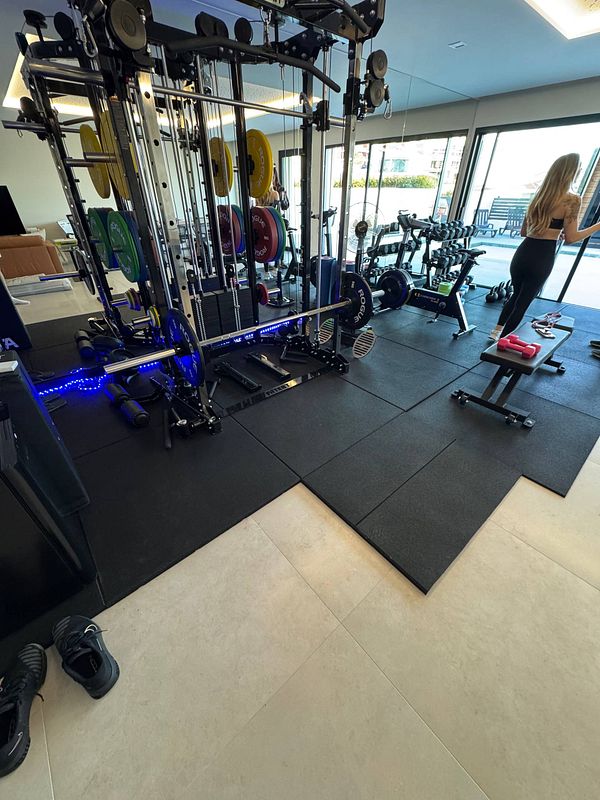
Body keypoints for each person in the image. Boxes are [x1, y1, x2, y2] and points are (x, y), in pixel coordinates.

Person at [489, 153, 600, 340]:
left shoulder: (538, 196)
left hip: (523, 253)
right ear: (572, 172)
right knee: (523, 303)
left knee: (515, 296)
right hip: (542, 256)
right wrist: (598, 226)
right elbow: (572, 238)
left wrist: (553, 229)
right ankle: (501, 346)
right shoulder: (572, 199)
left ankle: (496, 333)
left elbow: (525, 232)